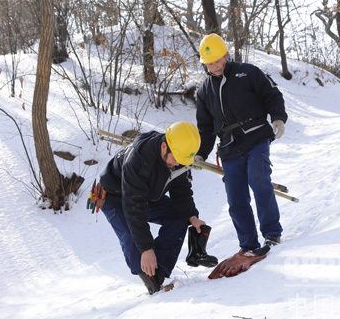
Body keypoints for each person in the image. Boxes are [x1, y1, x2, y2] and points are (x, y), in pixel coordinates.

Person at [195, 33, 288, 261]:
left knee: (259, 179)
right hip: (228, 146)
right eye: (209, 64)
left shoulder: (247, 72)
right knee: (236, 197)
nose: (214, 67)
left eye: (217, 61)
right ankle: (247, 244)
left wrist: (278, 118)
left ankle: (272, 234)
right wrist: (200, 153)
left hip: (255, 136)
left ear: (226, 55)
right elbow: (205, 127)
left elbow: (272, 95)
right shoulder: (204, 90)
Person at [99, 122, 212, 294]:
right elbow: (134, 208)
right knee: (133, 239)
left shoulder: (179, 156)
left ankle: (160, 273)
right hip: (116, 197)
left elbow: (181, 191)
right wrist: (146, 248)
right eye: (175, 159)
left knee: (178, 218)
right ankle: (150, 279)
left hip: (147, 196)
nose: (176, 164)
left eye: (181, 162)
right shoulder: (138, 159)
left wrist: (192, 217)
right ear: (164, 146)